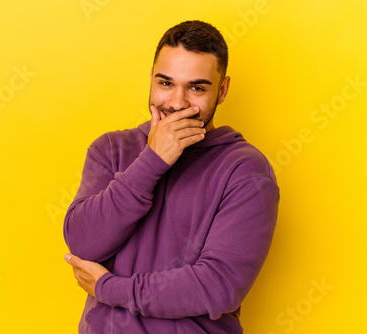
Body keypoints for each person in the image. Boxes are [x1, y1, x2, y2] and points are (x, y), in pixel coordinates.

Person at [63, 20, 279, 333]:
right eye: (166, 83)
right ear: (151, 79)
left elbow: (218, 286)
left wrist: (110, 288)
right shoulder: (110, 149)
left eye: (197, 88)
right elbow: (83, 245)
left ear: (222, 90)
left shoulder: (246, 171)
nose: (177, 103)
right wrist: (152, 161)